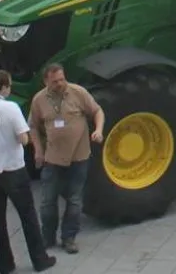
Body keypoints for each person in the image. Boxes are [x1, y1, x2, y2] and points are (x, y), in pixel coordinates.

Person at [0, 70, 55, 274]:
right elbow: (24, 139)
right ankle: (39, 259)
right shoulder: (11, 108)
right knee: (28, 216)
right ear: (4, 87)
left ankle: (4, 264)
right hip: (13, 169)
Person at [29, 63, 105, 255]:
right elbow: (33, 127)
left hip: (79, 158)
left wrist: (98, 130)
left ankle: (69, 238)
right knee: (48, 201)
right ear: (46, 81)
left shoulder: (78, 92)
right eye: (55, 81)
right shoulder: (39, 100)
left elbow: (97, 111)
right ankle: (48, 237)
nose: (60, 83)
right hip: (52, 160)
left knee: (74, 200)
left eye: (62, 79)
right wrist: (38, 150)